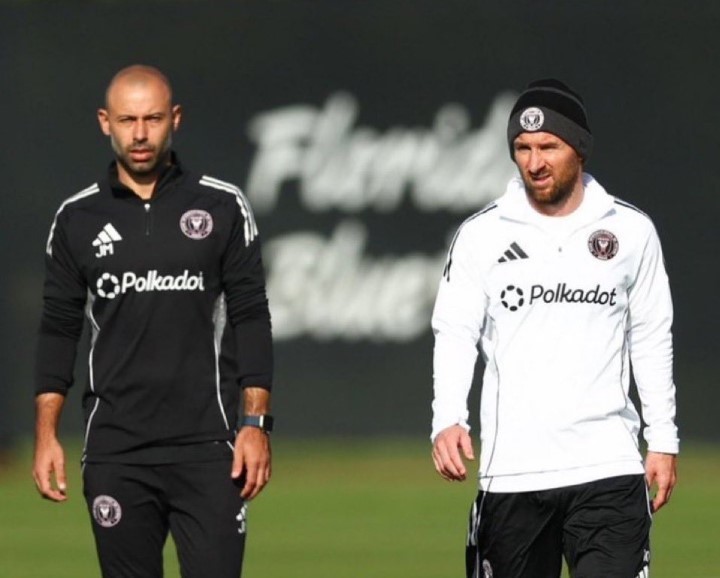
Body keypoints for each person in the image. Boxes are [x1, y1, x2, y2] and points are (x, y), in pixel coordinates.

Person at [32, 64, 274, 578]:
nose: (140, 134)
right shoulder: (77, 219)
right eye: (126, 120)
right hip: (116, 451)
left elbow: (252, 317)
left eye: (153, 118)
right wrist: (46, 433)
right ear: (105, 122)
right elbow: (58, 330)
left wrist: (254, 425)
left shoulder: (222, 205)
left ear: (175, 119)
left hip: (209, 451)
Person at [430, 78, 678, 578]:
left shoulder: (630, 231)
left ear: (579, 149)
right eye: (522, 148)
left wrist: (663, 438)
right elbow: (455, 331)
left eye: (548, 146)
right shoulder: (482, 234)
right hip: (512, 475)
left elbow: (652, 334)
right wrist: (447, 417)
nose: (534, 162)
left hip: (608, 467)